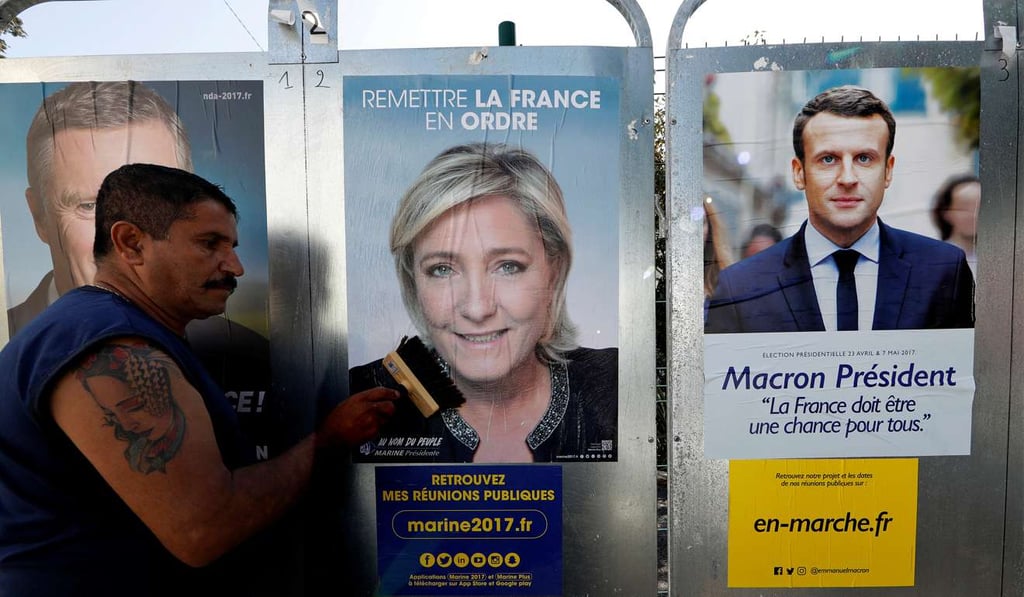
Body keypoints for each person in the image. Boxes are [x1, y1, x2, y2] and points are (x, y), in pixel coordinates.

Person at [0, 163, 399, 596]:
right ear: (131, 243)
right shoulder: (109, 346)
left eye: (232, 246)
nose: (236, 267)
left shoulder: (107, 329)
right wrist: (327, 443)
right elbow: (203, 529)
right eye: (210, 244)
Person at [6, 81, 282, 458]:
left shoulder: (249, 352)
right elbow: (210, 515)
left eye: (160, 198)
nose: (235, 266)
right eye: (89, 206)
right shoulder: (96, 343)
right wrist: (327, 443)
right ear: (38, 215)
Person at [349, 143, 617, 463]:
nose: (477, 309)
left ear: (553, 273)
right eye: (442, 269)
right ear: (413, 282)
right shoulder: (361, 395)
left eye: (508, 266)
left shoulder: (615, 386)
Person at [705, 86, 975, 333]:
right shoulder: (740, 287)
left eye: (864, 158)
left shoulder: (943, 271)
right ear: (799, 173)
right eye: (828, 159)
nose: (847, 178)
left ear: (888, 171)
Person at [931, 173, 980, 277]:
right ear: (946, 213)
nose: (974, 214)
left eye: (979, 206)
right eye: (964, 207)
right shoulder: (934, 260)